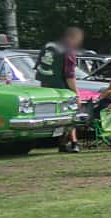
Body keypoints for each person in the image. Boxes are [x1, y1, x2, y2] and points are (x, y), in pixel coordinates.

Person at [36, 25, 84, 153]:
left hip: (45, 86)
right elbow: (69, 76)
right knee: (71, 114)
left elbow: (40, 68)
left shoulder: (48, 46)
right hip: (61, 87)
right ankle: (72, 143)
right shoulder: (68, 51)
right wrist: (77, 95)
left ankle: (68, 143)